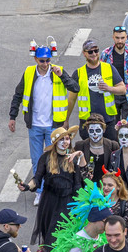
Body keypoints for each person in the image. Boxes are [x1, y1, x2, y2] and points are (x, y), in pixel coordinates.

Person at [9, 47, 80, 193]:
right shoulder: (29, 72)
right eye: (42, 61)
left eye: (48, 60)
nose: (45, 64)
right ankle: (39, 192)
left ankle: (51, 190)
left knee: (53, 160)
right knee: (37, 160)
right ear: (36, 59)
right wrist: (12, 117)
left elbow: (75, 88)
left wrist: (62, 76)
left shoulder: (58, 71)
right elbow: (18, 95)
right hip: (34, 125)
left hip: (53, 126)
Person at [18, 126, 85, 252]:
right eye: (62, 139)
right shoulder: (46, 158)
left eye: (67, 139)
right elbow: (37, 179)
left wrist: (80, 204)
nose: (65, 142)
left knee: (66, 233)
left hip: (68, 202)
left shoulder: (73, 158)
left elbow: (77, 184)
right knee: (51, 233)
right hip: (50, 202)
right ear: (55, 142)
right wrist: (27, 186)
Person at [68, 38, 123, 136]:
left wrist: (109, 88)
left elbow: (123, 89)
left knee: (110, 145)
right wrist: (66, 120)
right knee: (87, 146)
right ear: (84, 53)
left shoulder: (109, 68)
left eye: (96, 50)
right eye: (90, 52)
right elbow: (71, 99)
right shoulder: (78, 73)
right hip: (87, 122)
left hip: (108, 121)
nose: (94, 54)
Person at [75, 114, 118, 180]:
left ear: (103, 130)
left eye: (98, 130)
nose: (95, 134)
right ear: (87, 130)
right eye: (91, 131)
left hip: (106, 185)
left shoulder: (113, 146)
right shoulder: (80, 146)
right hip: (86, 185)